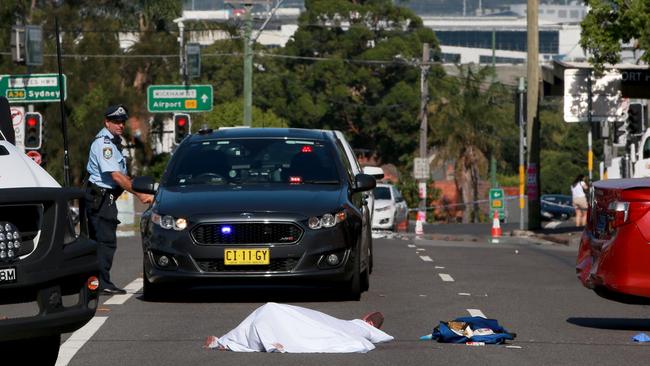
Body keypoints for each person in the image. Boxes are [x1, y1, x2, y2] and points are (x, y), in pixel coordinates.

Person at [85, 104, 153, 295]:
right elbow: (116, 176)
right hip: (101, 197)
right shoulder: (104, 144)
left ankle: (98, 282)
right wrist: (141, 194)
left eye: (122, 122)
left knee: (103, 240)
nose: (120, 125)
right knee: (105, 241)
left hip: (105, 197)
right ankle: (102, 283)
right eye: (116, 122)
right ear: (107, 122)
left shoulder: (115, 141)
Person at [203, 303, 392, 353]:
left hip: (329, 326)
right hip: (332, 325)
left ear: (367, 320)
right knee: (272, 312)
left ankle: (229, 341)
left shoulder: (361, 326)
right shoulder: (358, 328)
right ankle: (229, 341)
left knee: (272, 311)